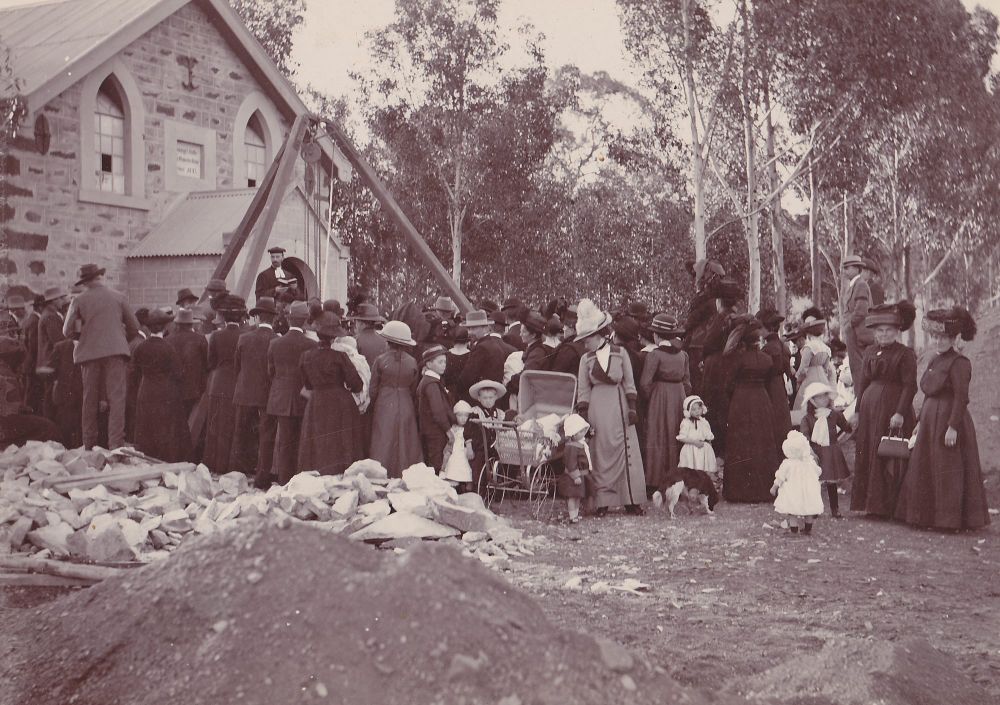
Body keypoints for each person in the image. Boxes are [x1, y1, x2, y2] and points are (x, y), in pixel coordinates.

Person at [894, 308, 990, 531]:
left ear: (954, 338)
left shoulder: (960, 363)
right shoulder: (933, 359)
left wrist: (953, 427)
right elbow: (928, 393)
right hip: (929, 421)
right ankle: (925, 517)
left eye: (943, 338)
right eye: (935, 337)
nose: (938, 341)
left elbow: (961, 397)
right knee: (926, 467)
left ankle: (948, 521)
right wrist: (919, 422)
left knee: (947, 469)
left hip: (948, 420)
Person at [575, 299, 646, 516]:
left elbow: (629, 382)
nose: (584, 344)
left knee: (626, 450)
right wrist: (584, 413)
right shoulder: (585, 359)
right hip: (597, 408)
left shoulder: (620, 353)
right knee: (600, 452)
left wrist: (632, 406)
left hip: (619, 406)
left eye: (587, 340)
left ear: (598, 336)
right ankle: (602, 502)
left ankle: (631, 500)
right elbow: (583, 389)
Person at [62, 263, 140, 449]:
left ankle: (89, 445)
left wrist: (83, 337)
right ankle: (116, 445)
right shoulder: (119, 297)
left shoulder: (79, 300)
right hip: (116, 352)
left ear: (85, 282)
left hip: (89, 355)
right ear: (99, 277)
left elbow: (66, 331)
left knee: (89, 401)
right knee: (117, 400)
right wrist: (119, 339)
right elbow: (135, 328)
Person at [850, 301, 918, 517]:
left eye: (889, 330)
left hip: (892, 410)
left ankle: (890, 507)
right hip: (870, 412)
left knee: (889, 454)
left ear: (897, 331)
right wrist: (858, 410)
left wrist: (899, 412)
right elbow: (863, 383)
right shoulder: (870, 351)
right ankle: (871, 505)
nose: (885, 334)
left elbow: (910, 386)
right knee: (869, 451)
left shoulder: (905, 354)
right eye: (880, 331)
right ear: (874, 332)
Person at [722, 315, 781, 503]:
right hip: (762, 399)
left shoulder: (737, 359)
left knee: (741, 443)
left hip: (740, 400)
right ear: (758, 340)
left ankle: (740, 491)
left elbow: (728, 384)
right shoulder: (766, 359)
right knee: (762, 442)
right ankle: (764, 489)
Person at [298, 313, 366, 474]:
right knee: (340, 440)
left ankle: (317, 473)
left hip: (317, 401)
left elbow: (307, 384)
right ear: (334, 338)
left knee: (318, 438)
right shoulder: (340, 357)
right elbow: (356, 384)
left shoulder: (306, 357)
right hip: (340, 402)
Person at [262, 301, 317, 486]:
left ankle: (285, 479)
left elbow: (270, 372)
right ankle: (300, 479)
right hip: (303, 398)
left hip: (280, 397)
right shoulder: (311, 344)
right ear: (306, 321)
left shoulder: (275, 343)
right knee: (302, 439)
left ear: (288, 319)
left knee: (284, 441)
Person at [640, 314, 691, 496]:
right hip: (679, 395)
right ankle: (675, 478)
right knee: (676, 435)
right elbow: (687, 382)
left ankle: (655, 480)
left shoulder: (655, 355)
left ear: (657, 336)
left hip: (659, 397)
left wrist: (650, 400)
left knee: (657, 436)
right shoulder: (683, 355)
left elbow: (645, 383)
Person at [130, 309, 191, 462]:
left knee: (147, 426)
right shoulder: (168, 348)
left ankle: (147, 457)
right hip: (165, 391)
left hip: (145, 390)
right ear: (164, 328)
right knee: (165, 427)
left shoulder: (140, 347)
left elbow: (133, 373)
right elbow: (178, 372)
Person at [230, 297, 278, 479]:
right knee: (266, 433)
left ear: (257, 318)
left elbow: (237, 366)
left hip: (245, 391)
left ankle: (240, 471)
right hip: (267, 393)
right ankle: (262, 471)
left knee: (241, 431)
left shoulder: (244, 338)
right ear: (272, 319)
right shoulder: (276, 339)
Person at [368, 321, 422, 477]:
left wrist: (374, 403)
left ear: (388, 342)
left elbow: (373, 388)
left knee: (383, 437)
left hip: (385, 401)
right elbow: (414, 386)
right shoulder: (412, 362)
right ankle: (405, 472)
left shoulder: (380, 360)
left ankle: (381, 473)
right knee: (406, 437)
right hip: (405, 400)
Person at [202, 296, 246, 473]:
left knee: (217, 426)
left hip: (218, 384)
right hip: (237, 384)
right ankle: (232, 465)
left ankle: (215, 464)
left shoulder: (216, 336)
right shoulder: (245, 336)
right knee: (234, 426)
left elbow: (210, 362)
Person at [799, 382, 852, 518]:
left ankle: (835, 509)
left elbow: (846, 427)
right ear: (812, 400)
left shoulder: (833, 415)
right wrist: (809, 452)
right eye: (820, 397)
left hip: (832, 451)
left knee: (832, 482)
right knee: (816, 481)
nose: (825, 399)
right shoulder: (807, 419)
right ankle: (815, 508)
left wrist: (851, 423)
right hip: (817, 453)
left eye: (826, 396)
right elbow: (805, 437)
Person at [456, 310, 516, 405]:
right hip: (492, 398)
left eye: (473, 328)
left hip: (479, 399)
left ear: (485, 328)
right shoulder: (492, 344)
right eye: (468, 329)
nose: (470, 332)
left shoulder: (481, 347)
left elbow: (467, 377)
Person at [771, 430, 824, 535]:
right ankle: (808, 529)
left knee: (792, 510)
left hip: (793, 491)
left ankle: (794, 530)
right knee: (809, 510)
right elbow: (818, 471)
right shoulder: (809, 462)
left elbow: (780, 476)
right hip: (808, 491)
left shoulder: (788, 463)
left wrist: (774, 487)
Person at [467, 379, 510, 496]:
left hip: (495, 445)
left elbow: (504, 429)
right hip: (480, 446)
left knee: (499, 463)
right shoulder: (476, 412)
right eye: (485, 398)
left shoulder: (500, 414)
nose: (488, 401)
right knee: (479, 466)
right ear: (479, 399)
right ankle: (478, 491)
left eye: (491, 398)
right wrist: (469, 446)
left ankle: (496, 490)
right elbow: (468, 431)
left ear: (495, 398)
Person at [416, 344, 455, 470]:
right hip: (435, 432)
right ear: (428, 364)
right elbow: (438, 410)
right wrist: (448, 430)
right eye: (440, 362)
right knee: (436, 465)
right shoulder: (432, 384)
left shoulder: (428, 381)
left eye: (444, 361)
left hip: (429, 430)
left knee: (433, 463)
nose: (444, 364)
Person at [165, 308, 208, 422]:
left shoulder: (168, 340)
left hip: (173, 388)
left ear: (177, 324)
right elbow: (207, 363)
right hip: (194, 389)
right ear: (191, 324)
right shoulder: (200, 339)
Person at [841, 254, 875, 393]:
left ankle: (862, 401)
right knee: (856, 369)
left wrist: (848, 325)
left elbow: (861, 310)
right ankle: (860, 399)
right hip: (854, 333)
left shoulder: (860, 284)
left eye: (847, 268)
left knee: (859, 368)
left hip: (858, 334)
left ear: (856, 268)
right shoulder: (854, 285)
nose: (845, 271)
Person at [792, 309, 837, 412]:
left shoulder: (809, 347)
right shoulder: (826, 348)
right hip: (823, 378)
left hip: (810, 378)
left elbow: (803, 368)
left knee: (807, 406)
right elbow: (827, 368)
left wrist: (798, 379)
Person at [759, 308, 793, 441]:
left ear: (767, 328)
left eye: (760, 327)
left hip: (770, 388)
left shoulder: (768, 349)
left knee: (773, 424)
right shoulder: (782, 346)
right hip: (780, 388)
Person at [35, 287, 67, 418]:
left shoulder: (47, 315)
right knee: (50, 396)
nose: (62, 301)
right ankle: (50, 424)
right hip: (50, 363)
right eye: (60, 298)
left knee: (48, 394)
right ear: (53, 301)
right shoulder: (51, 317)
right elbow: (58, 341)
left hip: (45, 363)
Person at [48, 330, 84, 448]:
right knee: (70, 427)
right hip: (70, 395)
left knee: (75, 428)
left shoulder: (61, 346)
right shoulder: (61, 347)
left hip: (75, 395)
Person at [560, 413, 592, 523]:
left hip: (581, 475)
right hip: (573, 477)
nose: (584, 433)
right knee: (572, 497)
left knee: (578, 496)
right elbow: (571, 463)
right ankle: (572, 515)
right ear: (573, 433)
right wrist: (575, 476)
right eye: (581, 431)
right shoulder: (571, 447)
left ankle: (576, 514)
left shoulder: (580, 443)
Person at [441, 400, 475, 492]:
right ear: (455, 416)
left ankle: (466, 484)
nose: (463, 418)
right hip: (454, 449)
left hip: (462, 450)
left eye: (466, 415)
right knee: (452, 463)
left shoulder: (468, 429)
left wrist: (469, 448)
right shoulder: (452, 427)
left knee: (464, 465)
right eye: (460, 415)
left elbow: (468, 439)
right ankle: (453, 484)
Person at [677, 395, 717, 473]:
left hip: (703, 448)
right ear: (688, 411)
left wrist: (709, 445)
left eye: (699, 408)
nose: (697, 411)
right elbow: (682, 437)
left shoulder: (704, 421)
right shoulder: (686, 422)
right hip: (691, 448)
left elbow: (708, 436)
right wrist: (695, 442)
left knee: (704, 469)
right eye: (694, 409)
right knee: (692, 469)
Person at [351, 303, 388, 367]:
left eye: (356, 322)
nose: (355, 325)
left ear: (361, 323)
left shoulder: (354, 341)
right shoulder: (385, 340)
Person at [443, 326, 471, 401]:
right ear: (467, 342)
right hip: (468, 395)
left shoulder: (445, 355)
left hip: (449, 395)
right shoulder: (472, 356)